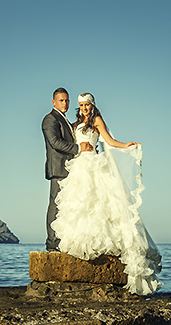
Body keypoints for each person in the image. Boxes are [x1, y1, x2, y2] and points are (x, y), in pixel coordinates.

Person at [50, 92, 162, 295]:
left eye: (87, 105)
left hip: (93, 163)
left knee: (100, 202)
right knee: (80, 204)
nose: (84, 108)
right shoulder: (75, 124)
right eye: (81, 105)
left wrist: (126, 145)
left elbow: (109, 141)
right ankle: (82, 244)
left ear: (92, 105)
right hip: (79, 166)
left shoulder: (97, 120)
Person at [41, 87, 94, 251]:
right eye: (61, 100)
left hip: (69, 168)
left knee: (66, 206)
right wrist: (79, 148)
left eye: (67, 100)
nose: (65, 103)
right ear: (53, 102)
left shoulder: (63, 119)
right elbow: (55, 142)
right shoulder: (50, 119)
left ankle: (63, 240)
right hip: (58, 168)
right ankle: (52, 243)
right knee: (55, 206)